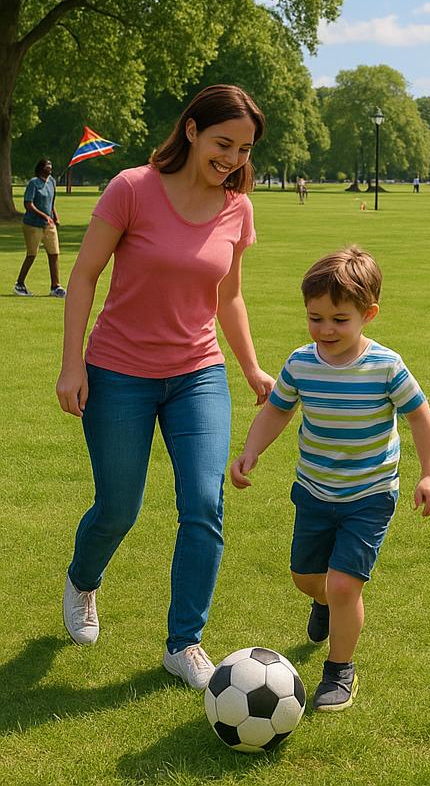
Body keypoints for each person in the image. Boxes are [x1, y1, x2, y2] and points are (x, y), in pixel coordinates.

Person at [55, 85, 276, 690]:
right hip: (118, 372)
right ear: (191, 132)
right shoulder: (132, 187)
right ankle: (83, 581)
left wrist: (251, 367)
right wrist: (73, 365)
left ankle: (185, 643)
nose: (232, 158)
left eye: (244, 149)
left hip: (196, 375)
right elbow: (83, 277)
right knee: (119, 507)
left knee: (204, 504)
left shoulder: (238, 208)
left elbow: (227, 297)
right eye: (222, 143)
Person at [229, 247, 430, 712]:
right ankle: (323, 603)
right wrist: (250, 450)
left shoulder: (385, 365)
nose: (326, 330)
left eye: (339, 319)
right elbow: (277, 410)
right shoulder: (301, 363)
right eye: (316, 318)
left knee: (346, 584)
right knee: (308, 579)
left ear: (368, 315)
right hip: (313, 490)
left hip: (369, 495)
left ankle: (339, 669)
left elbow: (420, 416)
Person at [16, 157, 65, 297]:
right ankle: (20, 284)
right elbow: (28, 204)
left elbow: (51, 202)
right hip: (32, 224)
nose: (50, 167)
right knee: (32, 254)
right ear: (41, 168)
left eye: (51, 165)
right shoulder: (33, 183)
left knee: (54, 253)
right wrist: (44, 215)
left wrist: (55, 216)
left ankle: (55, 287)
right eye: (47, 166)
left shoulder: (52, 183)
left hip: (49, 225)